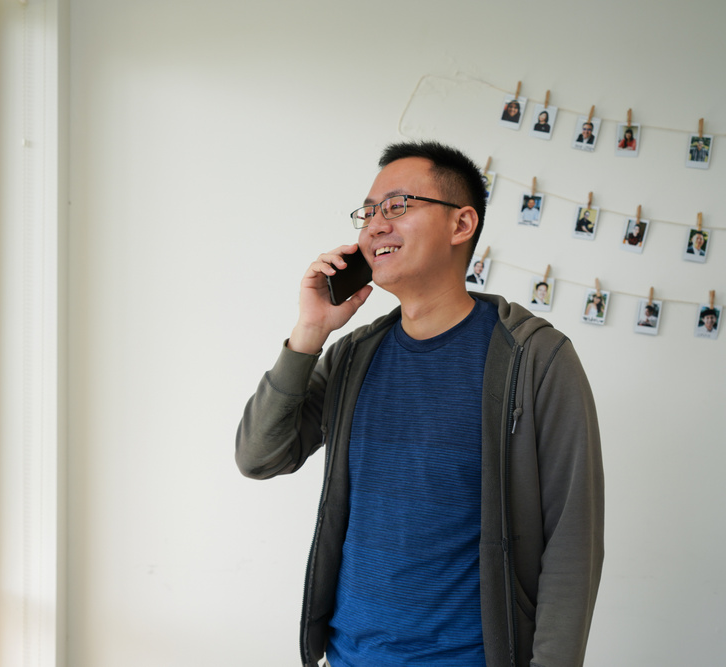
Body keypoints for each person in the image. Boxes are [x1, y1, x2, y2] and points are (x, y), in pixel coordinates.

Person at [236, 141, 604, 667]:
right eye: (368, 212)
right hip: (347, 657)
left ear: (461, 224)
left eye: (397, 206)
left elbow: (573, 542)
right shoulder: (353, 356)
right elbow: (259, 457)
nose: (375, 226)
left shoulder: (535, 359)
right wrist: (309, 331)